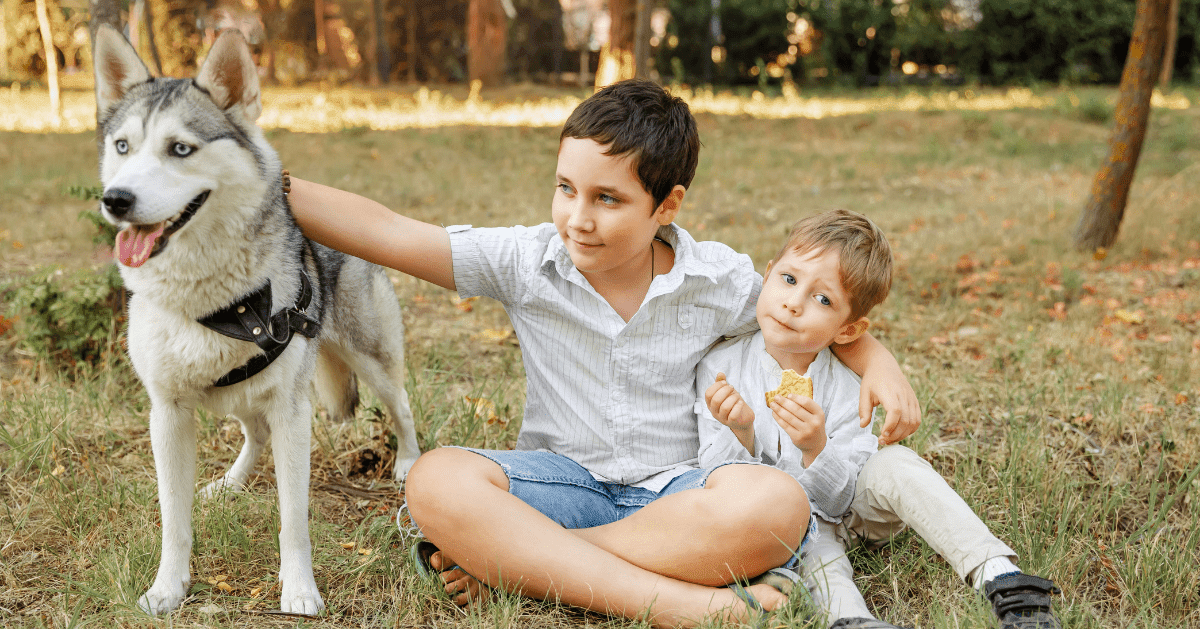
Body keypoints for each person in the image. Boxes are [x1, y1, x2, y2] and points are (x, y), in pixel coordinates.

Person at [288, 79, 920, 627]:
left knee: (777, 503)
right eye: (566, 188)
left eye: (607, 199)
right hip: (560, 481)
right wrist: (266, 179)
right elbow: (391, 233)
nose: (577, 218)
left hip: (684, 496)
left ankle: (523, 564)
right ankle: (688, 607)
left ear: (666, 205)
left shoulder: (716, 279)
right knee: (435, 481)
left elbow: (806, 322)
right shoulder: (526, 262)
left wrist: (878, 362)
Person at [698, 209, 1062, 629]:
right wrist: (741, 430)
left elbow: (841, 499)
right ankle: (851, 620)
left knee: (897, 463)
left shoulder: (852, 381)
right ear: (768, 274)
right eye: (789, 279)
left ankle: (1004, 579)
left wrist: (816, 448)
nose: (793, 304)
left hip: (853, 510)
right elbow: (714, 482)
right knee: (817, 550)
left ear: (849, 330)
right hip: (783, 527)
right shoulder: (720, 367)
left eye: (823, 300)